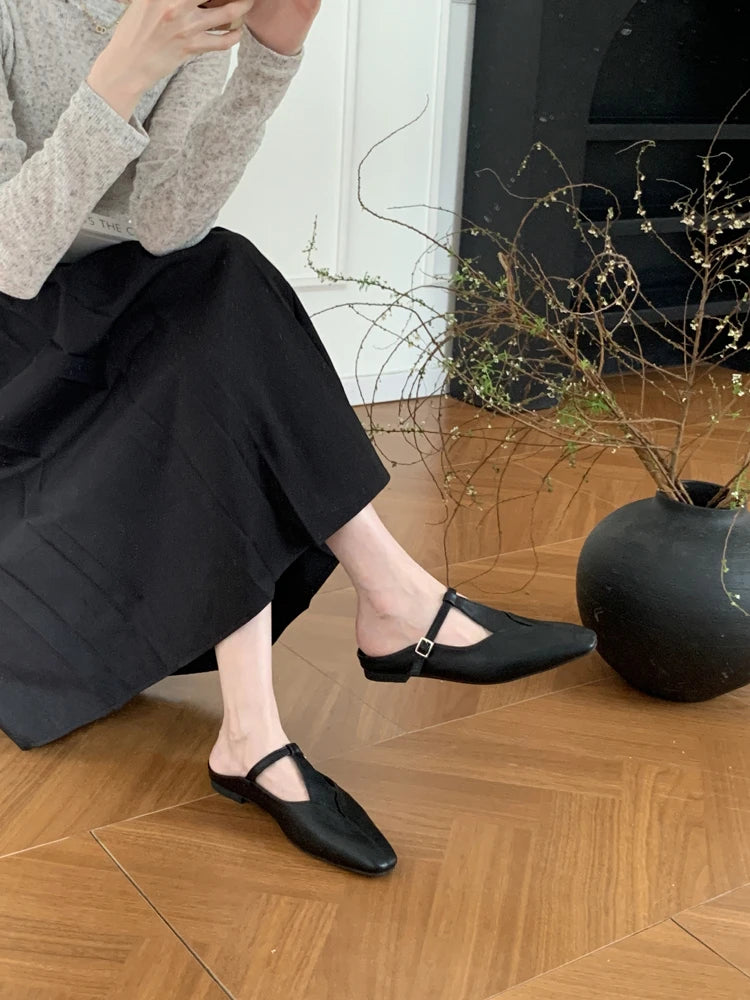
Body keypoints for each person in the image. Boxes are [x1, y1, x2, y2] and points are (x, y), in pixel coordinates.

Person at [0, 0, 597, 877]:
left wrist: (270, 59)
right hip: (13, 344)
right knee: (213, 312)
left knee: (219, 278)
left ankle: (262, 727)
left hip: (108, 308)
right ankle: (383, 615)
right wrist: (123, 73)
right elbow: (12, 257)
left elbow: (165, 226)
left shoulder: (189, 10)